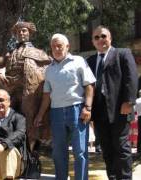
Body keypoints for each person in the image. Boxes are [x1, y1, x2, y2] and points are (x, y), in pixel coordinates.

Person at [34, 33, 96, 180]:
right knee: (58, 152)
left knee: (80, 151)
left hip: (77, 110)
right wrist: (40, 115)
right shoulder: (49, 69)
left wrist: (87, 107)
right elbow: (46, 95)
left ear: (67, 46)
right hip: (56, 113)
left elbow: (89, 85)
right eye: (53, 46)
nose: (56, 48)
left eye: (59, 45)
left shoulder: (79, 61)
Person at [0, 21, 52, 150]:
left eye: (24, 30)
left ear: (30, 33)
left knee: (30, 124)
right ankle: (13, 152)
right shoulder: (9, 54)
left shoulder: (40, 53)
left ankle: (29, 155)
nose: (21, 33)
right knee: (10, 122)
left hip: (30, 94)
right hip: (11, 93)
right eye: (18, 31)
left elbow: (50, 69)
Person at [87, 25, 138, 180]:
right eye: (96, 37)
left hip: (119, 109)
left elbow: (131, 77)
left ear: (110, 38)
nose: (100, 39)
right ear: (93, 41)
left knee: (122, 148)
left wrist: (129, 101)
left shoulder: (122, 54)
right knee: (107, 149)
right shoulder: (90, 60)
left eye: (103, 36)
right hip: (100, 112)